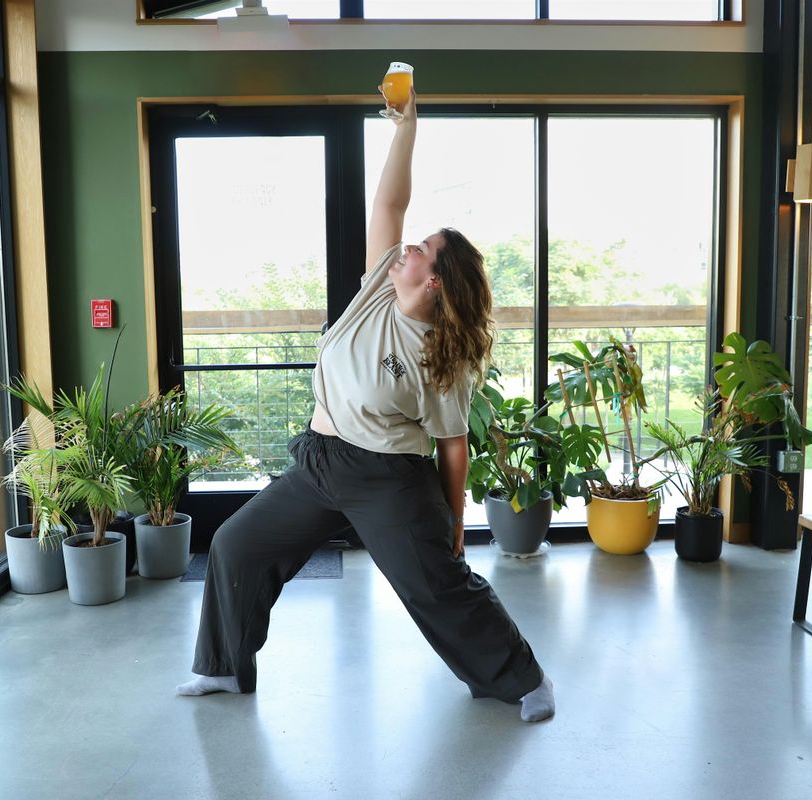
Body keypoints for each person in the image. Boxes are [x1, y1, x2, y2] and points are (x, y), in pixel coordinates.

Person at [175, 88, 555, 723]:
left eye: (422, 249)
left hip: (388, 479)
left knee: (436, 585)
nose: (408, 247)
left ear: (433, 279)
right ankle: (222, 669)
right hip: (320, 460)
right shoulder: (379, 287)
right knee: (236, 545)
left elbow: (452, 444)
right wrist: (406, 127)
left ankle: (524, 678)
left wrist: (453, 518)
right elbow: (389, 201)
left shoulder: (440, 355)